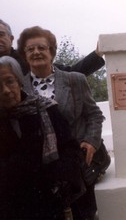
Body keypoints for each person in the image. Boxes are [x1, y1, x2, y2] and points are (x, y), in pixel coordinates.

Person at [17, 26, 105, 220]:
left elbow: (94, 115)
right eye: (30, 49)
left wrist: (91, 141)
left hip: (77, 165)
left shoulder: (75, 80)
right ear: (24, 55)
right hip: (40, 172)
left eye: (42, 47)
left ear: (52, 52)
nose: (36, 52)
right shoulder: (18, 87)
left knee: (85, 214)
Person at [0, 56, 85, 219]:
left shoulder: (45, 109)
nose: (5, 90)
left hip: (50, 201)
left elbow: (69, 147)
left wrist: (64, 178)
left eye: (9, 81)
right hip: (11, 206)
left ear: (19, 81)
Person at [0, 19, 105, 76]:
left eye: (1, 34)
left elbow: (71, 73)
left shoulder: (28, 59)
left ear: (11, 38)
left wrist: (97, 54)